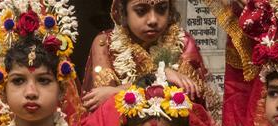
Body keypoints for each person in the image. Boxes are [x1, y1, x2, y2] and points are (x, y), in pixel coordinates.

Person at [81, 0, 218, 115]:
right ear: (123, 11)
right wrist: (160, 77)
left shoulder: (183, 42)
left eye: (161, 9)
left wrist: (118, 90)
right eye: (141, 10)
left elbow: (192, 99)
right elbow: (103, 102)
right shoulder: (105, 43)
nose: (153, 20)